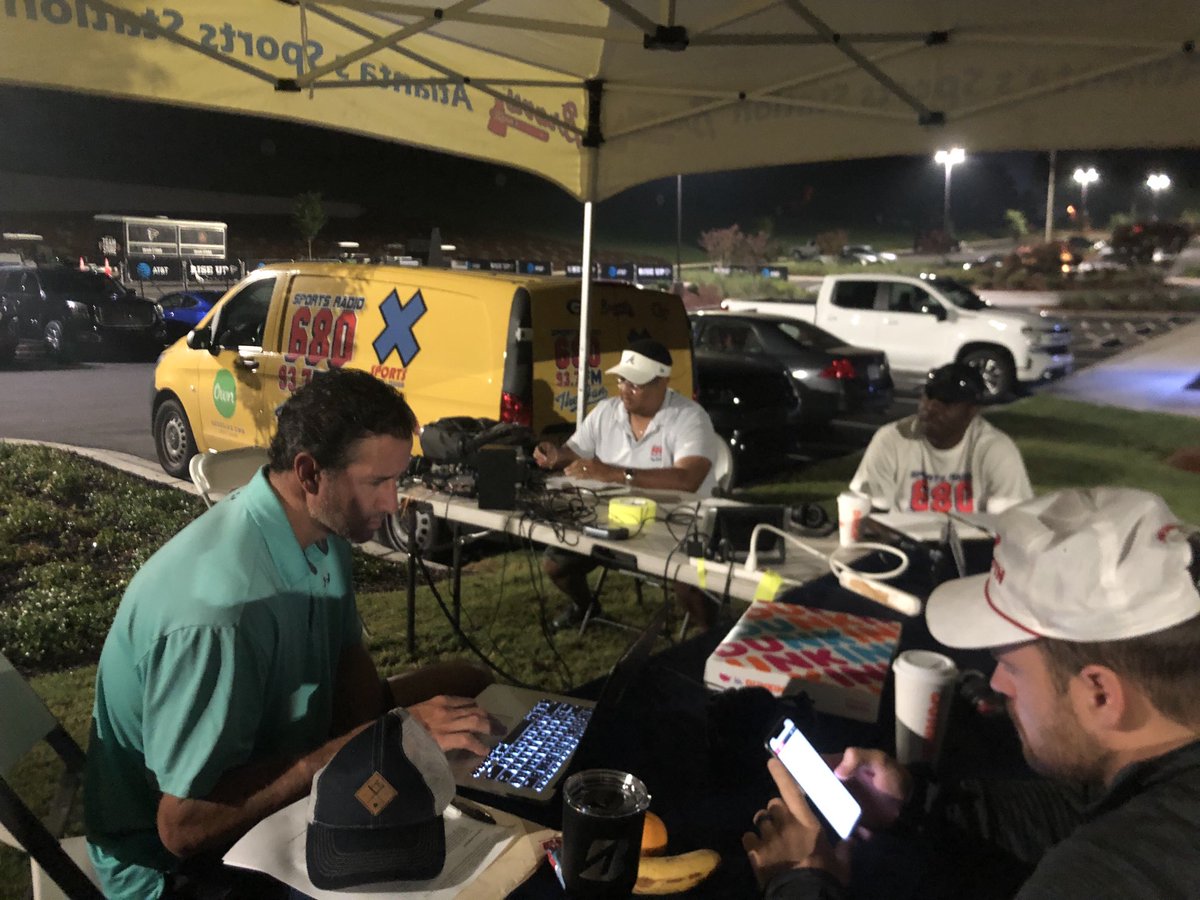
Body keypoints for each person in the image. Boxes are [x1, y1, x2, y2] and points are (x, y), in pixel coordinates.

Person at [85, 369, 493, 900]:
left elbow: (357, 698)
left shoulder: (323, 533)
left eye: (399, 479)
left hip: (271, 798)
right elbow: (184, 828)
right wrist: (393, 736)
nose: (394, 503)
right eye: (377, 483)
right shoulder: (220, 613)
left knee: (475, 683)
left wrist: (418, 723)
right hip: (171, 872)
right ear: (309, 473)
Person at [743, 487, 1200, 899]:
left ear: (1099, 693)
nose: (996, 683)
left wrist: (800, 884)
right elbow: (1077, 813)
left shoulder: (1099, 881)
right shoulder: (1158, 789)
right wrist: (919, 805)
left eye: (1011, 665)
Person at [532, 338, 720, 630]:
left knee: (689, 583)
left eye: (636, 384)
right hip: (612, 521)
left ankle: (711, 639)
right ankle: (586, 608)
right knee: (556, 564)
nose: (625, 390)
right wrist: (556, 454)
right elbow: (574, 451)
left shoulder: (690, 418)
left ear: (663, 382)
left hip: (676, 523)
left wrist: (615, 474)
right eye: (621, 380)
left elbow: (688, 479)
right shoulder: (607, 411)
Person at [849, 362, 1031, 514]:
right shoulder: (891, 439)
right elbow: (869, 512)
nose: (931, 407)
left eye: (946, 401)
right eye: (929, 396)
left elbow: (1011, 523)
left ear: (971, 411)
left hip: (973, 553)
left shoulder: (996, 449)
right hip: (903, 551)